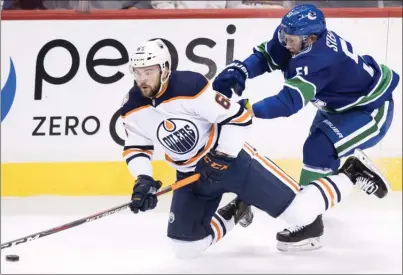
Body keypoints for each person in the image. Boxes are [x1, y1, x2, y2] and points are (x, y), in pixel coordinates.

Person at [122, 39, 391, 257]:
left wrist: (223, 156)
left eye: (149, 71)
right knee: (185, 246)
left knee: (301, 213)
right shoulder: (133, 105)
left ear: (165, 68)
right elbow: (136, 146)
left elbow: (239, 117)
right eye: (138, 72)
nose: (143, 79)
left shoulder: (189, 86)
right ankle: (236, 210)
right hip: (191, 177)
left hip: (236, 164)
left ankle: (352, 172)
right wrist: (143, 179)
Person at [212, 3, 400, 250]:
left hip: (370, 110)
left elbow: (288, 102)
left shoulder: (320, 59)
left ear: (311, 38)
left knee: (319, 148)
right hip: (337, 107)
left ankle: (318, 215)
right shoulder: (297, 37)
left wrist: (246, 110)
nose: (285, 43)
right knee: (318, 153)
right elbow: (268, 56)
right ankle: (313, 207)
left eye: (290, 40)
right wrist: (242, 69)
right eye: (284, 36)